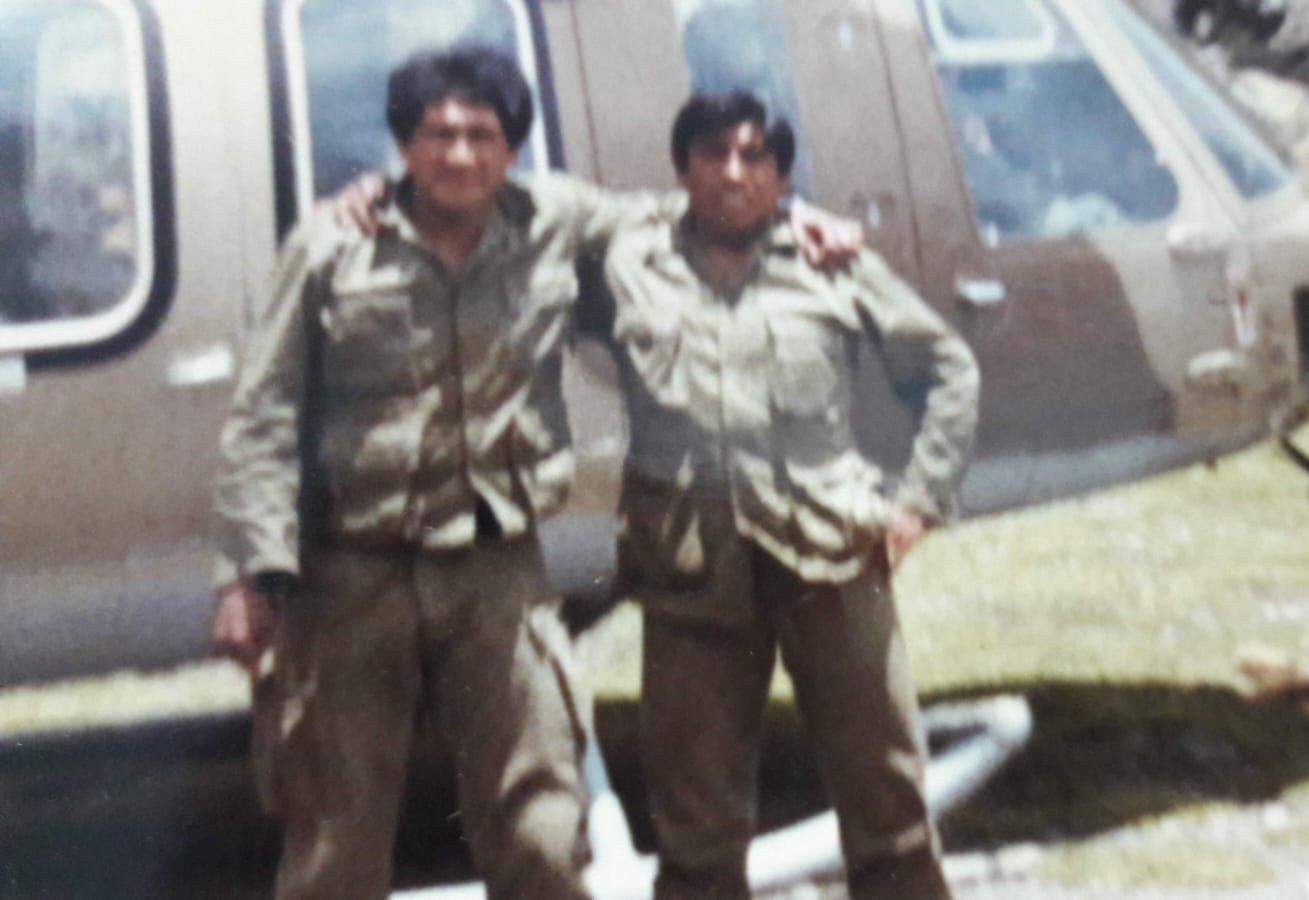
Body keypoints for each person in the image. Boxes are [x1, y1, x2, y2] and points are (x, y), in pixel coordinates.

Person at [211, 45, 650, 899]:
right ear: (402, 145)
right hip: (352, 579)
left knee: (543, 833)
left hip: (503, 573)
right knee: (336, 840)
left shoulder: (556, 221)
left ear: (512, 145)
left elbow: (689, 222)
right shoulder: (333, 246)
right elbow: (262, 414)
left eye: (481, 135)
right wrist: (246, 572)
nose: (458, 155)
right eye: (436, 134)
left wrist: (806, 223)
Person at [601, 92, 980, 900]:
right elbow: (539, 217)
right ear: (681, 169)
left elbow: (948, 369)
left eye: (754, 158)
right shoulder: (630, 258)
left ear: (781, 174)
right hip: (691, 578)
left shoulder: (829, 264)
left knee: (891, 817)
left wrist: (919, 501)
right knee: (696, 839)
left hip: (833, 566)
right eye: (711, 154)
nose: (732, 173)